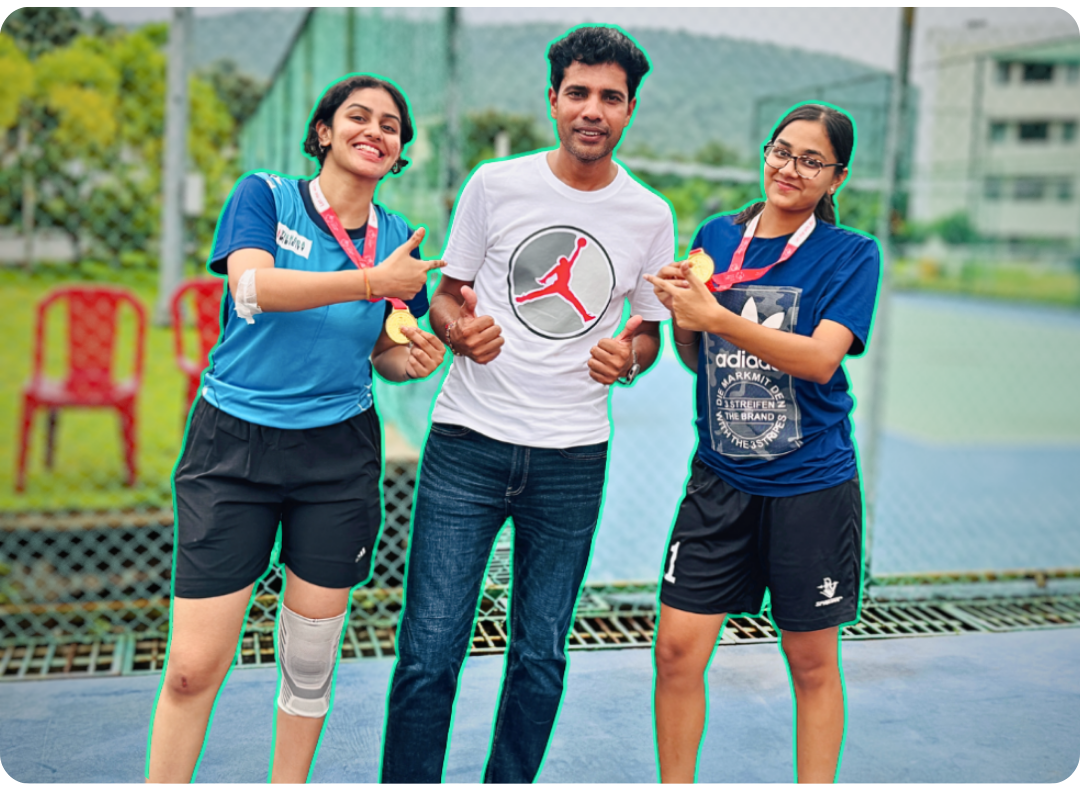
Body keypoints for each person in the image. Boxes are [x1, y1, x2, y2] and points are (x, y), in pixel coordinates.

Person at [380, 26, 676, 785]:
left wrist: (629, 360)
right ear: (553, 99)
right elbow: (447, 297)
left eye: (611, 97)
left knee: (540, 653)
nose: (592, 109)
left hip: (572, 457)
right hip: (468, 444)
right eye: (578, 92)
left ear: (630, 110)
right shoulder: (496, 185)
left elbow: (645, 336)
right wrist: (459, 331)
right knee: (429, 652)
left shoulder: (649, 215)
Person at [144, 74, 446, 784]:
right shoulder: (266, 195)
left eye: (391, 125)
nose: (375, 131)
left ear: (400, 150)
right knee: (191, 670)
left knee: (308, 664)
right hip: (233, 445)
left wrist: (413, 359)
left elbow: (386, 350)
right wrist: (371, 281)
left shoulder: (400, 240)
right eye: (358, 116)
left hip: (336, 457)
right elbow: (252, 288)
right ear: (323, 132)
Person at [646, 103, 880, 785]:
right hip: (719, 479)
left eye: (812, 160)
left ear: (836, 177)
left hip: (811, 484)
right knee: (676, 652)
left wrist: (715, 312)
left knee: (810, 663)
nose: (791, 168)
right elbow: (701, 360)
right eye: (782, 151)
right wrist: (684, 314)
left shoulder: (851, 254)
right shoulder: (718, 235)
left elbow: (818, 361)